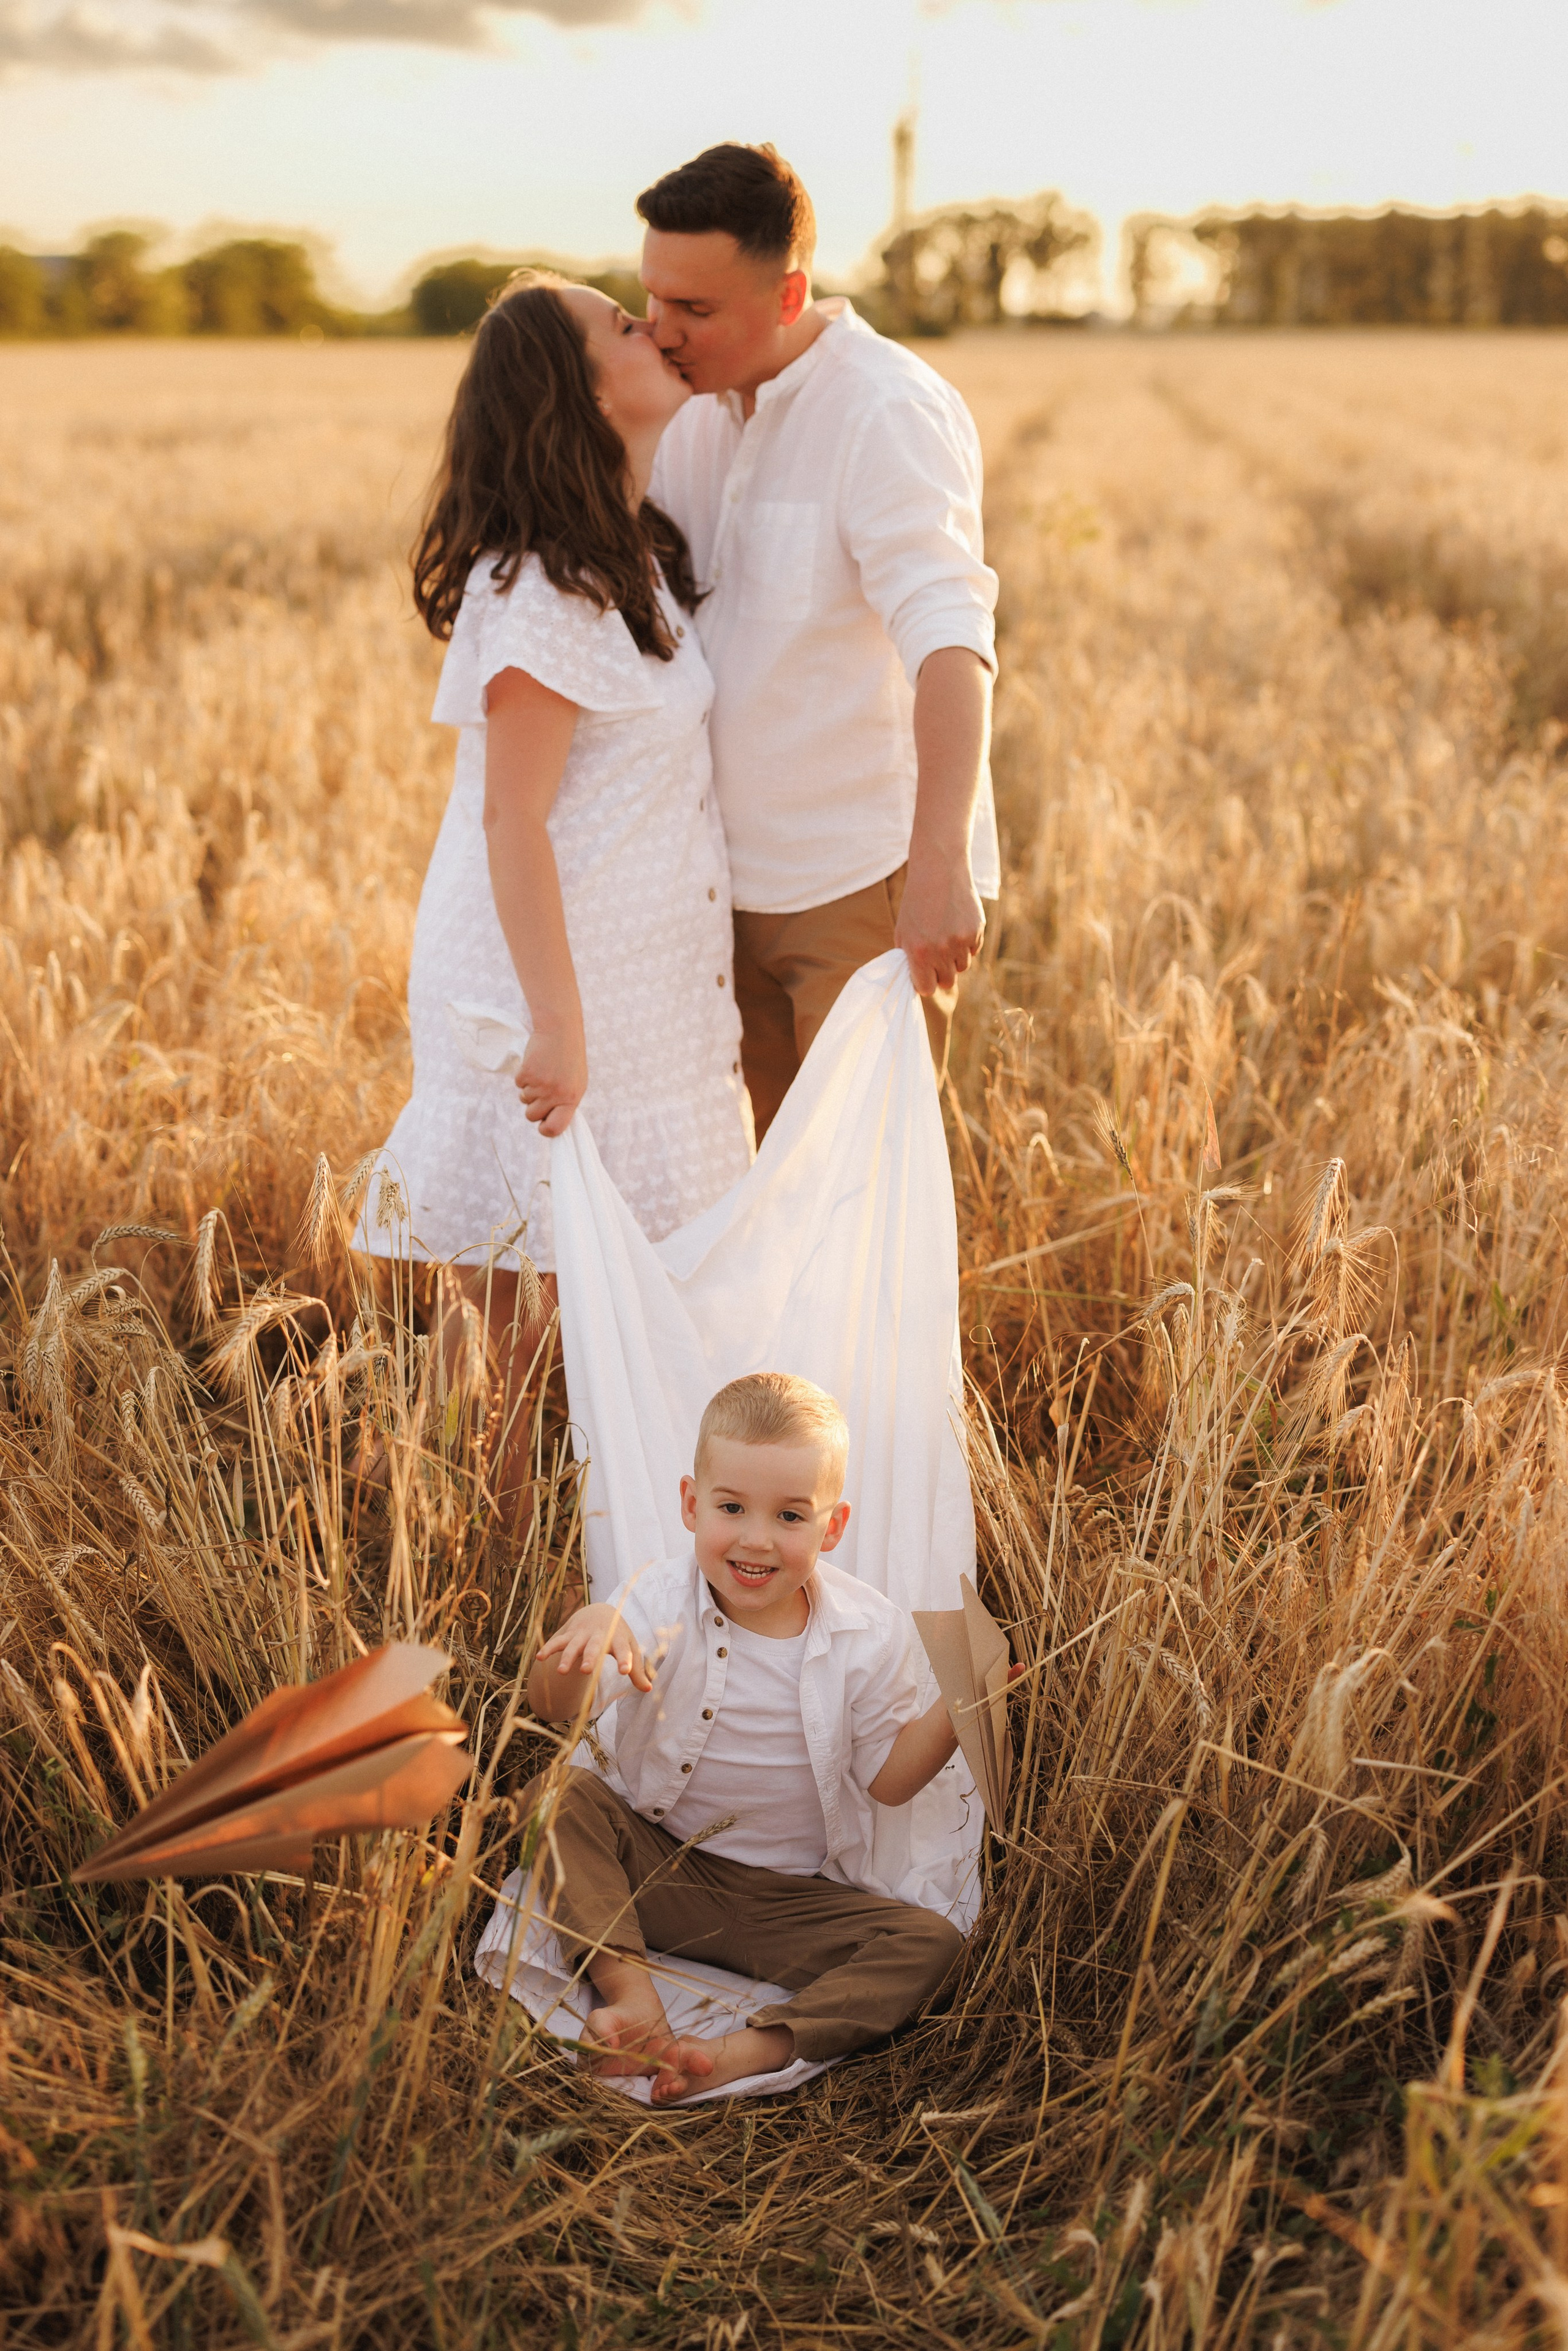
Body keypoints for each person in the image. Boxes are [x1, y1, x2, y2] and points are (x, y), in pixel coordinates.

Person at [355, 272, 752, 1485]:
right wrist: (556, 1023)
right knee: (514, 1344)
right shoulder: (538, 584)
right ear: (582, 392)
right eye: (623, 326)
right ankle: (480, 1576)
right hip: (541, 985)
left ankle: (583, 1548)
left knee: (605, 1305)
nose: (654, 330)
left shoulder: (633, 553)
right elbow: (510, 818)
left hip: (645, 988)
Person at [638, 143, 1000, 1141]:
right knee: (757, 1205)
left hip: (857, 884)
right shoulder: (687, 414)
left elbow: (951, 642)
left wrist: (937, 863)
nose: (662, 333)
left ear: (790, 290)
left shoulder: (885, 410)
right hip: (717, 887)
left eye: (695, 311)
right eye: (653, 299)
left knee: (859, 1202)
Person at [524, 1372, 982, 2102]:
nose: (756, 1539)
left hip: (788, 1903)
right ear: (690, 1504)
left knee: (932, 1944)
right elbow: (556, 1711)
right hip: (656, 1870)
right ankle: (631, 1993)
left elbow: (888, 1783)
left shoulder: (868, 1632)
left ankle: (748, 2047)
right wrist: (587, 1637)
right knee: (557, 1797)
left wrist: (961, 1714)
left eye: (791, 1517)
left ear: (832, 1527)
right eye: (731, 1507)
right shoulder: (654, 1600)